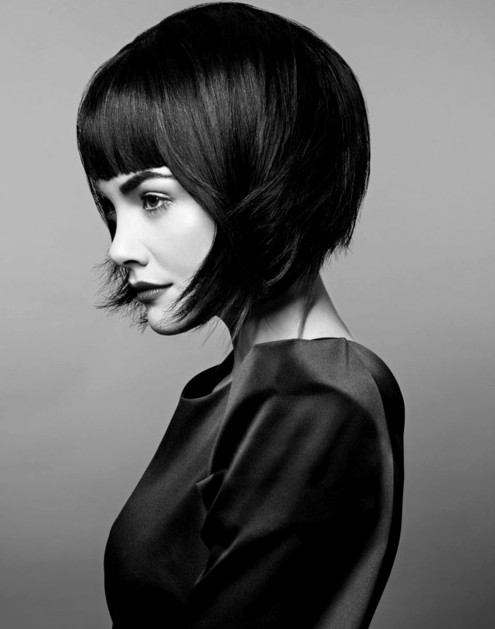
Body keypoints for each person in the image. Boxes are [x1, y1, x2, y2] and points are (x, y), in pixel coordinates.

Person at [76, 3, 405, 628]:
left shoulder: (312, 403)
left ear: (259, 176)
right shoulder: (250, 386)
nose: (119, 247)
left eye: (153, 199)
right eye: (112, 209)